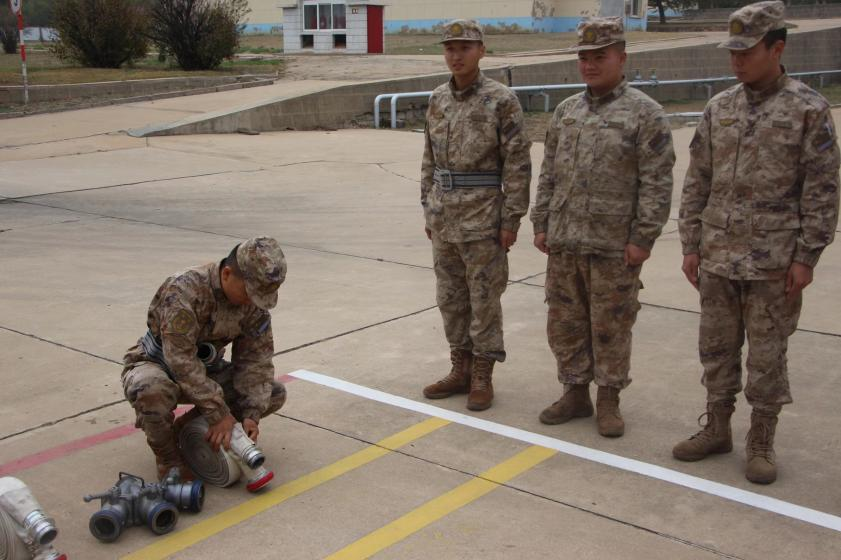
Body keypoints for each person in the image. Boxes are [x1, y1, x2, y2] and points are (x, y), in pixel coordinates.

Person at [673, 1, 839, 484]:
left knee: (767, 356)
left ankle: (761, 439)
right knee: (716, 349)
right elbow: (698, 180)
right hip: (718, 255)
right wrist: (690, 243)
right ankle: (717, 427)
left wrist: (807, 256)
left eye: (747, 51)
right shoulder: (719, 107)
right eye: (733, 52)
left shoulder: (808, 108)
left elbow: (822, 189)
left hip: (774, 260)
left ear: (777, 48)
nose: (737, 61)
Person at [530, 17, 675, 437]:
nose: (590, 65)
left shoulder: (645, 113)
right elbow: (549, 171)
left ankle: (609, 398)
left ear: (621, 57)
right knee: (565, 321)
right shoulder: (566, 111)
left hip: (614, 244)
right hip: (565, 239)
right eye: (584, 57)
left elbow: (657, 182)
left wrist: (643, 237)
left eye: (600, 56)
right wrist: (541, 221)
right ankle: (575, 391)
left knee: (611, 324)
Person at [420, 19, 532, 411]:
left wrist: (511, 219)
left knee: (484, 299)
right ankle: (460, 367)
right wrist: (428, 205)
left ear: (481, 51)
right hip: (444, 217)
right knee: (450, 298)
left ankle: (483, 373)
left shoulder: (501, 100)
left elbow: (517, 162)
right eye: (450, 48)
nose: (456, 55)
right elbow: (429, 158)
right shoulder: (438, 99)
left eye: (464, 48)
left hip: (484, 218)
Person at [121, 237, 288, 480]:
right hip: (158, 364)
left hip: (206, 369)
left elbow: (256, 361)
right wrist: (218, 413)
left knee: (270, 393)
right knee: (151, 390)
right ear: (227, 274)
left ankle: (184, 430)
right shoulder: (185, 290)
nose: (253, 301)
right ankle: (169, 460)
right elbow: (179, 359)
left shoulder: (254, 305)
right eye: (250, 292)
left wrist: (250, 415)